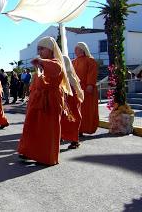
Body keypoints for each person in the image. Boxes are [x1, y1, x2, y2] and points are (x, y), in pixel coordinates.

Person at [18, 36, 71, 166]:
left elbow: (55, 69)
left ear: (51, 49)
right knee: (33, 126)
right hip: (37, 100)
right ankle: (29, 152)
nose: (40, 51)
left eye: (42, 49)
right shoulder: (42, 65)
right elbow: (36, 83)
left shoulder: (56, 63)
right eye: (38, 49)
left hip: (51, 100)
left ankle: (47, 157)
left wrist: (41, 61)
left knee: (48, 128)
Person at [73, 42, 99, 135]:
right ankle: (77, 129)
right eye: (75, 49)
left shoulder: (90, 60)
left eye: (77, 49)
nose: (75, 51)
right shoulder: (74, 61)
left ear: (83, 50)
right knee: (77, 110)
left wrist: (90, 85)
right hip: (76, 89)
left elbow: (92, 73)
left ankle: (84, 129)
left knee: (86, 110)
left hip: (87, 90)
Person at [60, 55, 84, 149]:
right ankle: (60, 136)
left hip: (71, 101)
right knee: (61, 119)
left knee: (73, 118)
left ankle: (75, 140)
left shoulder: (71, 78)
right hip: (64, 101)